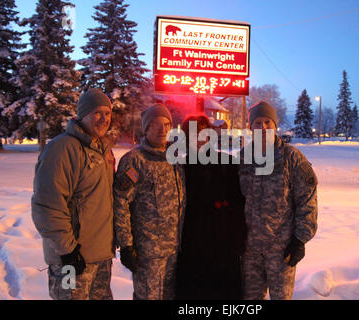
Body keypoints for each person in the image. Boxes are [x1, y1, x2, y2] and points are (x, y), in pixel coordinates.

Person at [31, 88, 116, 300]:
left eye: (107, 113)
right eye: (97, 112)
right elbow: (47, 206)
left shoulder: (103, 150)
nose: (104, 118)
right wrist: (68, 251)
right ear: (82, 115)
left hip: (101, 259)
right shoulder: (62, 149)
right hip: (71, 261)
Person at [238, 101, 318, 300]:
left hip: (281, 250)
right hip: (249, 251)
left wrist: (300, 240)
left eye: (267, 122)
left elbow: (307, 200)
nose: (263, 127)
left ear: (275, 126)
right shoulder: (242, 158)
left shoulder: (292, 158)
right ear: (251, 127)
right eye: (258, 123)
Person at [113, 103, 185, 300]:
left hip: (174, 252)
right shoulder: (135, 161)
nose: (162, 130)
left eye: (166, 124)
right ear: (146, 128)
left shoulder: (175, 160)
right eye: (155, 124)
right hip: (148, 255)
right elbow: (121, 204)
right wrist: (126, 246)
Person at [175, 114, 247, 300]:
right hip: (191, 249)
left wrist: (239, 239)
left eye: (202, 133)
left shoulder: (228, 163)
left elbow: (239, 205)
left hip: (224, 248)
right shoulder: (178, 167)